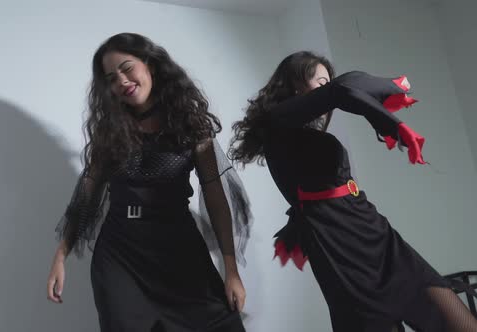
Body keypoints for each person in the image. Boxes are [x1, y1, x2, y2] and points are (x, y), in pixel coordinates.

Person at [229, 51, 477, 331]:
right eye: (321, 82)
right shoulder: (277, 122)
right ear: (297, 85)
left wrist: (383, 114)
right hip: (339, 246)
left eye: (328, 82)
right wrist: (393, 98)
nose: (327, 89)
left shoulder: (304, 130)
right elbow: (345, 88)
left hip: (375, 232)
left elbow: (343, 89)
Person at [46, 33, 251, 332]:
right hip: (120, 256)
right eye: (111, 78)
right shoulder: (110, 131)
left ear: (150, 65)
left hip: (178, 251)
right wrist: (60, 255)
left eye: (127, 68)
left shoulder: (191, 124)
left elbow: (216, 199)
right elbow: (87, 195)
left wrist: (230, 270)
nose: (122, 81)